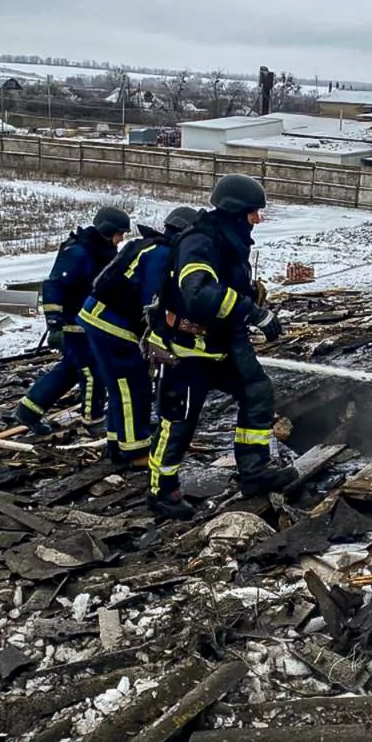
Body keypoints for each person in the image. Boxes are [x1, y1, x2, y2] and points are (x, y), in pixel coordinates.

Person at [142, 174, 297, 519]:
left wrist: (250, 302)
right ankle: (162, 492)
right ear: (234, 210)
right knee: (179, 421)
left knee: (257, 391)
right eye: (253, 212)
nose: (257, 220)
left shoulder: (229, 240)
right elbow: (198, 295)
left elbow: (227, 289)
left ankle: (254, 472)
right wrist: (253, 311)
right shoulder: (200, 240)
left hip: (222, 344)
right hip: (185, 349)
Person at [77, 206, 200, 466]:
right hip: (112, 324)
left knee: (117, 385)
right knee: (133, 385)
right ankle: (135, 450)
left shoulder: (151, 246)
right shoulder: (162, 255)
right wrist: (173, 332)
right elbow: (153, 303)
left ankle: (117, 442)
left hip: (99, 318)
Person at [14, 206, 130, 435]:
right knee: (93, 371)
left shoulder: (103, 252)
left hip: (91, 323)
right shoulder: (78, 252)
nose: (121, 239)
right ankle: (93, 420)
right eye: (119, 233)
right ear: (107, 230)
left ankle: (29, 410)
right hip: (75, 325)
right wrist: (54, 323)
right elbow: (54, 285)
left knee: (69, 370)